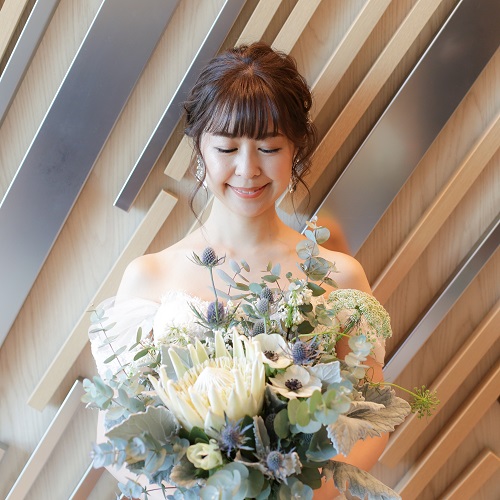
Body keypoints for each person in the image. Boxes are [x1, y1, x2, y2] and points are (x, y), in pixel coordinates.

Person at [91, 42, 388, 499]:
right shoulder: (149, 277)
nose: (248, 170)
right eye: (227, 148)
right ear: (199, 150)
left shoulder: (340, 278)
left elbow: (371, 424)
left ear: (296, 150)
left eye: (269, 147)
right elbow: (114, 437)